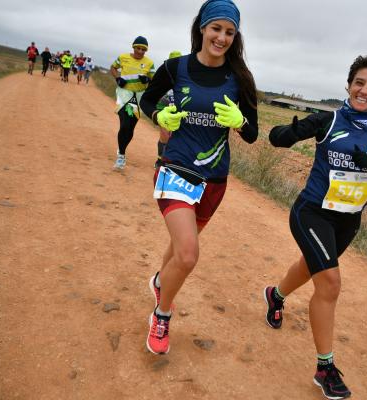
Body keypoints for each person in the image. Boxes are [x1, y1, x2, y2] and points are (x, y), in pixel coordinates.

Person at [263, 55, 367, 399]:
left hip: (348, 221)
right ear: (348, 85)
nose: (364, 90)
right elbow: (277, 139)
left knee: (311, 267)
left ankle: (276, 295)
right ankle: (325, 367)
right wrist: (292, 131)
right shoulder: (327, 120)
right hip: (312, 212)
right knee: (329, 283)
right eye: (359, 83)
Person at [139, 0, 258, 355]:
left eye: (230, 32)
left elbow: (252, 133)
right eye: (216, 28)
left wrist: (239, 122)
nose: (222, 37)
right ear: (202, 28)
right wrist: (161, 116)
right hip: (174, 168)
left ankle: (161, 282)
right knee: (189, 254)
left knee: (179, 248)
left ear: (235, 37)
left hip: (215, 179)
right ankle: (162, 315)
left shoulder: (240, 79)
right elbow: (147, 102)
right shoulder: (175, 68)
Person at [110, 36, 155, 170]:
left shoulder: (149, 63)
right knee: (124, 124)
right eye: (138, 48)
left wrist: (146, 79)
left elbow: (153, 80)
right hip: (124, 94)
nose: (140, 51)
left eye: (143, 49)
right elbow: (113, 68)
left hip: (139, 96)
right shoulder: (123, 57)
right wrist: (118, 78)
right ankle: (121, 156)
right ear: (133, 47)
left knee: (130, 128)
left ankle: (121, 148)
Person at [153, 50, 182, 168]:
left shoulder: (186, 78)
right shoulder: (163, 77)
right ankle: (160, 160)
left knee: (175, 138)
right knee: (164, 135)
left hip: (179, 114)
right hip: (164, 109)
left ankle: (173, 161)